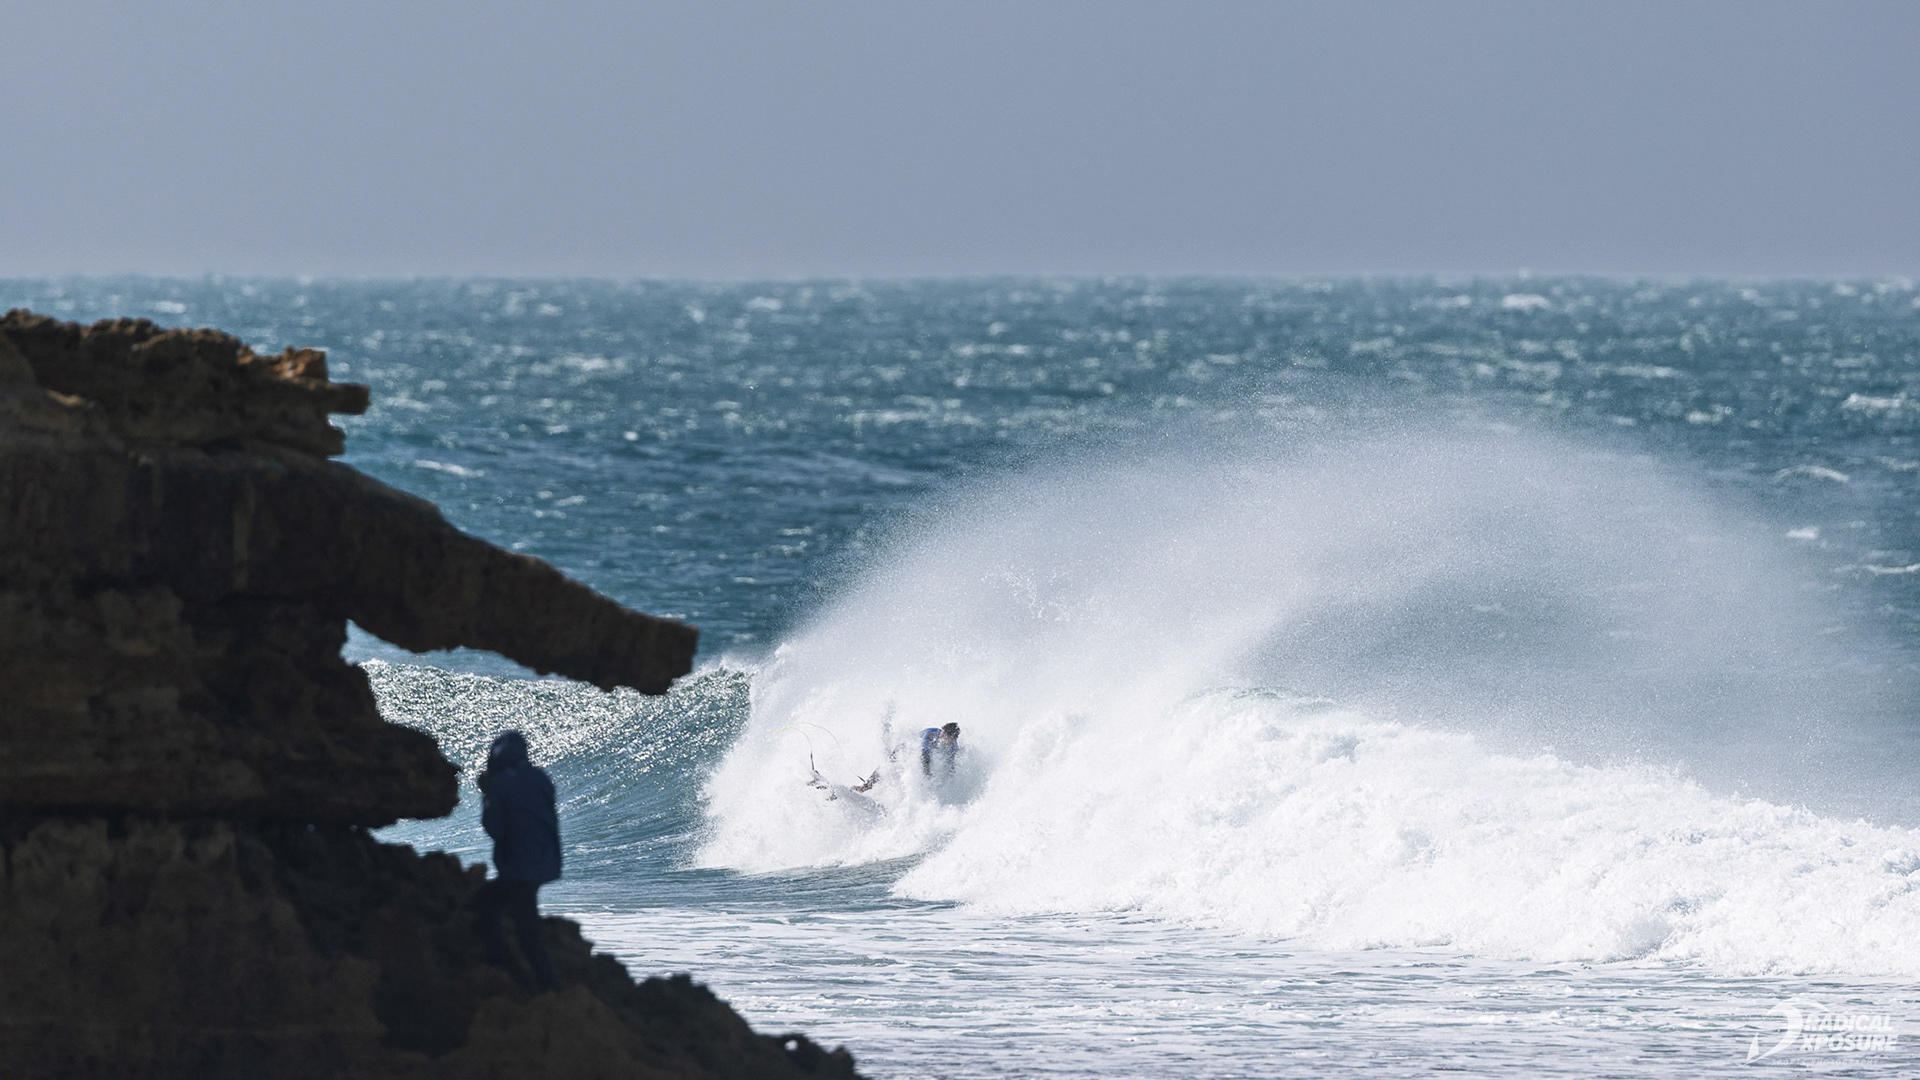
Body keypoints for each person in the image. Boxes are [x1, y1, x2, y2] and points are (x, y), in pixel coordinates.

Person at [476, 730, 560, 991]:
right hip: (546, 861)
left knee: (521, 926)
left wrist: (487, 795)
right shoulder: (541, 778)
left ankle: (533, 982)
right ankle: (533, 980)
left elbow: (494, 828)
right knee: (515, 912)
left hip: (519, 866)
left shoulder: (502, 782)